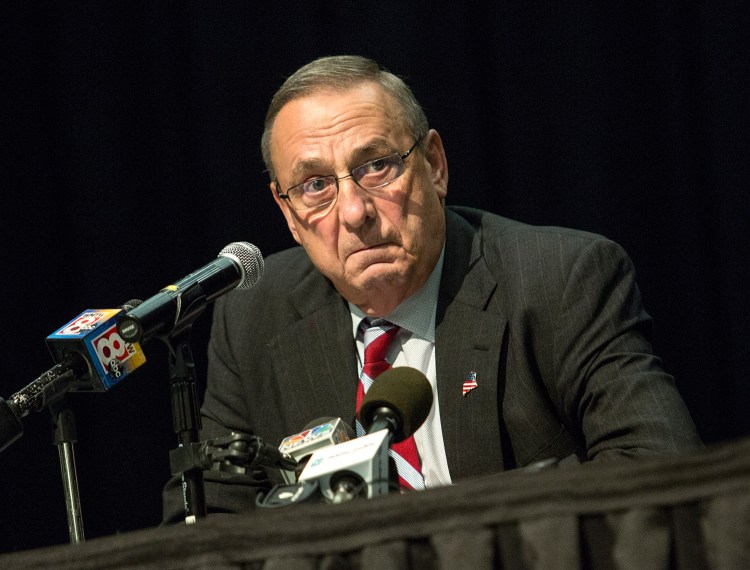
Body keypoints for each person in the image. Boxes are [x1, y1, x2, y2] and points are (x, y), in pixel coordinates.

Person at [163, 55, 701, 521]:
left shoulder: (560, 278)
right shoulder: (254, 317)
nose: (353, 213)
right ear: (288, 213)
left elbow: (658, 468)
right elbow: (208, 526)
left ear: (434, 165)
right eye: (315, 186)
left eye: (376, 166)